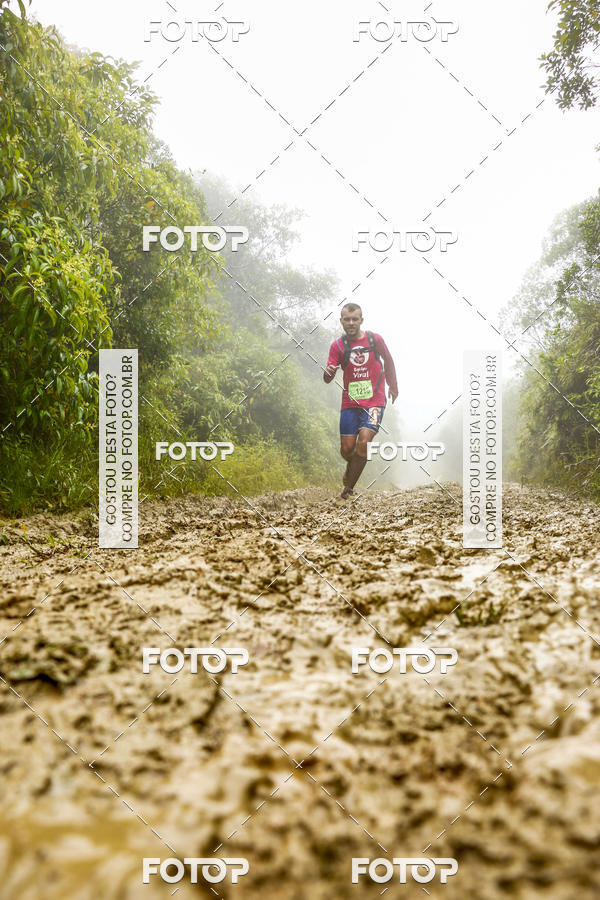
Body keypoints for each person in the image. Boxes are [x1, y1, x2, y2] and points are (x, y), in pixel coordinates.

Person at [323, 303, 398, 499]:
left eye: (354, 319)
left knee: (364, 443)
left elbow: (389, 361)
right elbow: (328, 378)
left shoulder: (374, 340)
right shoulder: (338, 346)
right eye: (347, 319)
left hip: (374, 402)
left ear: (361, 320)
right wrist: (328, 372)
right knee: (347, 450)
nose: (351, 323)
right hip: (350, 403)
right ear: (341, 321)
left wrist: (393, 385)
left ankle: (348, 488)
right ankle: (351, 467)